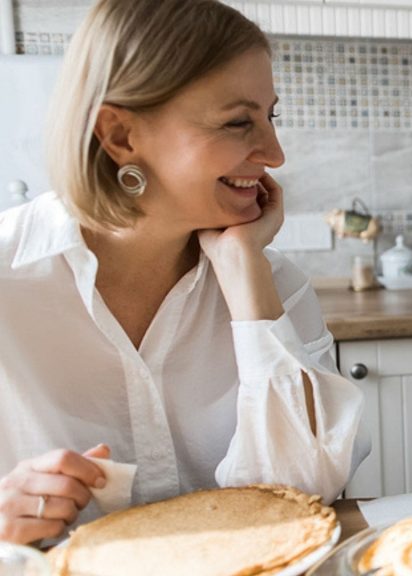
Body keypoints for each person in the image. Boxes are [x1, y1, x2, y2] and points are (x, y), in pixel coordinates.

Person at [0, 0, 367, 545]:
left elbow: (305, 503)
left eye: (271, 116)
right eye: (238, 122)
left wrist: (247, 280)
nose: (274, 153)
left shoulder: (275, 285)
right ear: (121, 136)